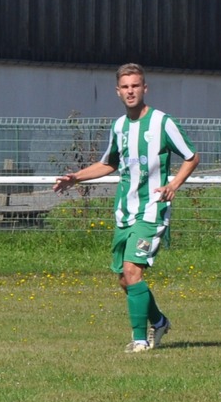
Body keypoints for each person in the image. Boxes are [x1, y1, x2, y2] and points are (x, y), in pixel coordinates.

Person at [53, 63, 199, 352]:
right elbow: (109, 163)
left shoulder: (162, 123)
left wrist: (173, 185)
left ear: (145, 88)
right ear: (118, 91)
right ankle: (159, 322)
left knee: (133, 271)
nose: (131, 91)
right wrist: (75, 177)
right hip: (125, 212)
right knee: (124, 278)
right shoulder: (118, 126)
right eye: (125, 87)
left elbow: (192, 157)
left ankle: (140, 340)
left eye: (136, 86)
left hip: (152, 210)